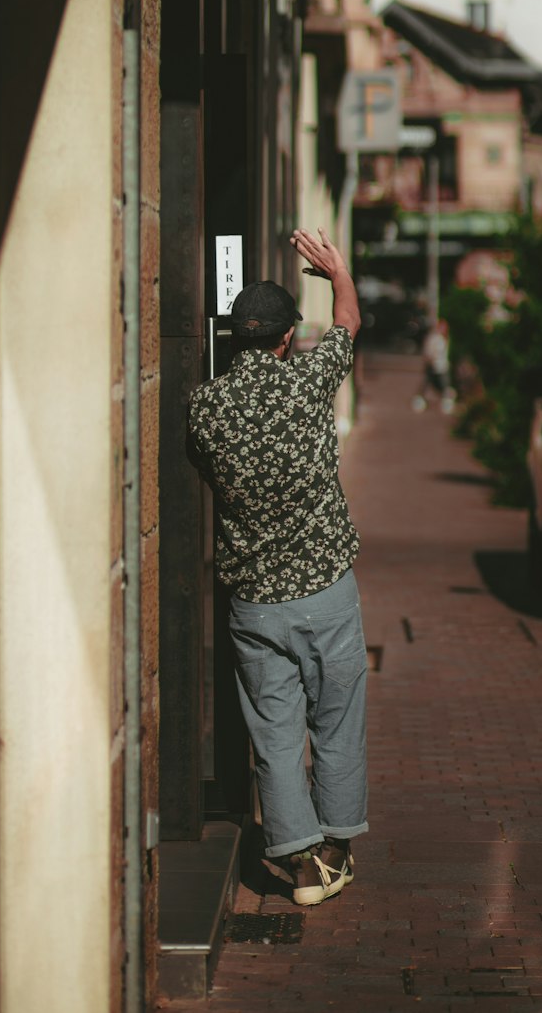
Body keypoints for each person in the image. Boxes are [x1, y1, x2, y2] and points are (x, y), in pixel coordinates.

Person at [186, 226, 367, 907]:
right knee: (337, 722)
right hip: (325, 590)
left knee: (274, 730)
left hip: (254, 602)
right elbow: (348, 323)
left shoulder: (205, 406)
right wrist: (336, 269)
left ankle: (298, 862)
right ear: (288, 337)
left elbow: (206, 473)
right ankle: (336, 849)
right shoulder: (309, 383)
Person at [413, 317, 454, 413]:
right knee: (426, 384)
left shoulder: (445, 338)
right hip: (433, 365)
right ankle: (419, 400)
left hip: (443, 366)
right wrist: (430, 359)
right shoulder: (433, 338)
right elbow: (428, 351)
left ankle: (446, 403)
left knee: (445, 385)